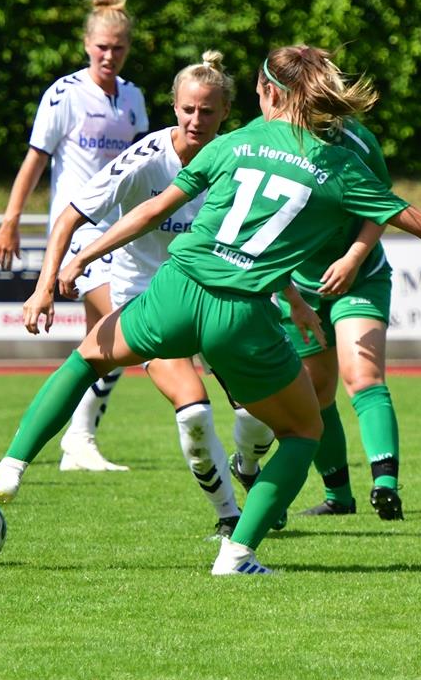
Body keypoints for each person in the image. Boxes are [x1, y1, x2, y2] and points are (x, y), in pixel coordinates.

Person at [0, 45, 421, 576]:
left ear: (270, 95)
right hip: (239, 314)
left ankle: (10, 469)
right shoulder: (341, 166)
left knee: (87, 358)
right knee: (303, 430)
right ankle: (238, 549)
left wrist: (77, 261)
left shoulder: (234, 142)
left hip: (175, 288)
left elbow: (151, 212)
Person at [24, 51, 280, 538]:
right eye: (187, 109)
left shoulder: (240, 159)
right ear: (173, 107)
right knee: (196, 410)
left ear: (226, 112)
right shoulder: (146, 161)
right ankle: (229, 518)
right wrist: (44, 286)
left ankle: (247, 465)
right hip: (148, 298)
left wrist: (295, 301)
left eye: (208, 110)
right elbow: (70, 215)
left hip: (216, 293)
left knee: (259, 418)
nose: (196, 119)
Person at [0, 0, 148, 472]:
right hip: (77, 230)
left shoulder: (134, 98)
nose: (109, 55)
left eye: (118, 48)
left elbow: (145, 167)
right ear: (86, 44)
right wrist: (11, 219)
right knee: (118, 328)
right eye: (101, 47)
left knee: (106, 340)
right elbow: (35, 159)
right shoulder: (64, 94)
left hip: (120, 232)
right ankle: (77, 439)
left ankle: (79, 440)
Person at [266, 117, 406, 520]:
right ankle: (339, 497)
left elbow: (381, 206)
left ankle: (386, 485)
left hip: (360, 276)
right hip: (298, 285)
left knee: (362, 376)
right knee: (315, 392)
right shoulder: (266, 139)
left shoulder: (358, 139)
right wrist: (292, 296)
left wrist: (352, 258)